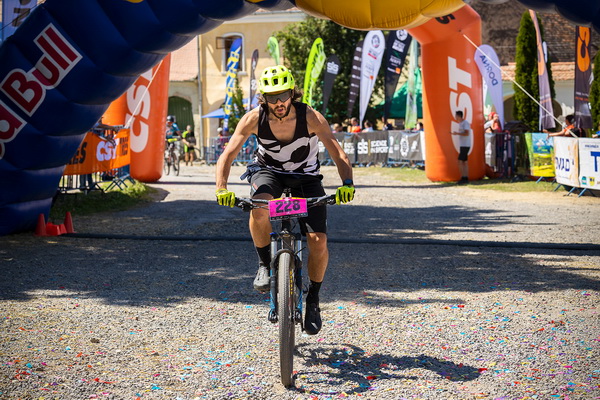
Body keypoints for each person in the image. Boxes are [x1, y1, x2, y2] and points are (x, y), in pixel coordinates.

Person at [215, 65, 355, 335]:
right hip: (268, 172)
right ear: (263, 98)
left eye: (283, 95)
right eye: (272, 97)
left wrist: (347, 183)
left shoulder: (310, 116)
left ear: (292, 93)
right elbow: (228, 154)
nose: (278, 103)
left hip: (306, 177)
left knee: (318, 241)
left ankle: (313, 299)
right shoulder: (253, 118)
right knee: (259, 208)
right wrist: (221, 188)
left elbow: (337, 152)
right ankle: (264, 265)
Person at [450, 110, 470, 184]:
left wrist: (457, 133)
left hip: (465, 145)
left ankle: (463, 177)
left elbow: (467, 133)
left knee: (460, 161)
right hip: (463, 145)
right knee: (464, 162)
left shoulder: (465, 123)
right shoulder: (460, 124)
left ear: (458, 116)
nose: (455, 117)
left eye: (456, 116)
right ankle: (465, 177)